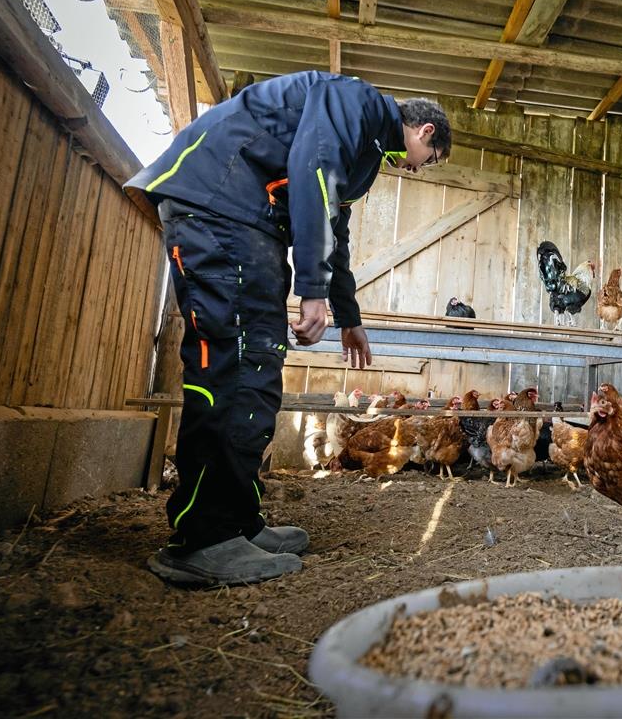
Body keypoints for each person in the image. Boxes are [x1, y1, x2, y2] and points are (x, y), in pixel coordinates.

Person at [125, 72, 452, 584]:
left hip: (244, 220)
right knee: (233, 371)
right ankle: (203, 539)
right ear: (425, 132)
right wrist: (313, 290)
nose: (417, 167)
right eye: (427, 161)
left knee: (256, 369)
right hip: (219, 206)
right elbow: (313, 168)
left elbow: (333, 226)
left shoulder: (365, 147)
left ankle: (235, 522)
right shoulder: (359, 103)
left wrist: (349, 318)